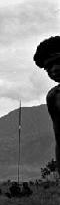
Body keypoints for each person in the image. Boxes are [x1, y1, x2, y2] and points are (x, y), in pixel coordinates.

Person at [35, 36, 60, 176]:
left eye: (57, 62)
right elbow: (59, 139)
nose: (53, 70)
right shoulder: (54, 97)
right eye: (48, 68)